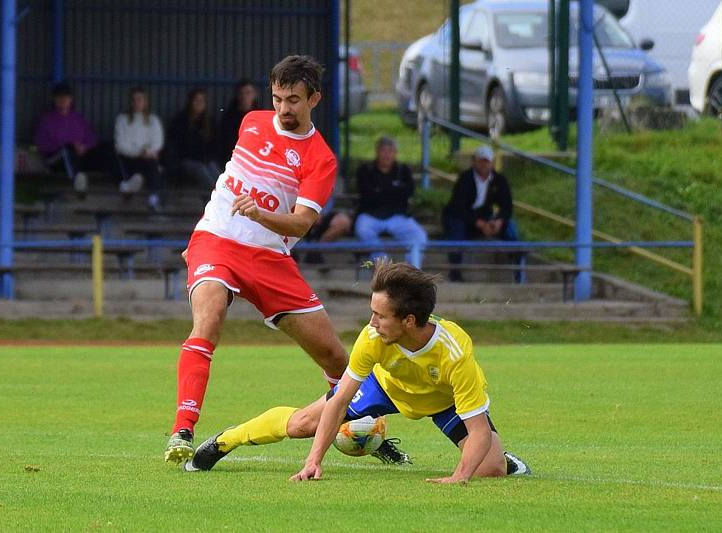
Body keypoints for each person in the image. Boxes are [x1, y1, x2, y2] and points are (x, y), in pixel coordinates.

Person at [164, 55, 410, 466]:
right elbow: (228, 182)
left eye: (294, 99)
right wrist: (200, 235)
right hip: (217, 241)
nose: (283, 108)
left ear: (315, 98)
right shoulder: (251, 122)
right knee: (207, 323)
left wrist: (260, 215)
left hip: (270, 259)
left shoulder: (320, 159)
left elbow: (301, 224)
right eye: (278, 98)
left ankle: (360, 426)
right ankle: (182, 430)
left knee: (336, 358)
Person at [184, 260, 531, 483]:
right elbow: (338, 401)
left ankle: (504, 459)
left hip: (443, 402)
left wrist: (459, 477)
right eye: (372, 311)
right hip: (385, 387)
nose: (371, 322)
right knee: (304, 423)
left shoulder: (455, 352)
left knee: (491, 469)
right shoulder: (372, 337)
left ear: (409, 321)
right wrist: (313, 462)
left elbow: (478, 429)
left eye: (380, 315)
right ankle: (225, 441)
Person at [442, 146, 520, 282]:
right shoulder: (465, 179)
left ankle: (518, 271)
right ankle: (455, 272)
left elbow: (507, 206)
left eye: (487, 161)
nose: (484, 164)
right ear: (474, 161)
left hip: (484, 215)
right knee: (457, 232)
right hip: (460, 216)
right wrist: (479, 223)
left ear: (492, 162)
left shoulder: (499, 180)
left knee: (511, 231)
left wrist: (499, 221)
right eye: (481, 161)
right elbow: (459, 207)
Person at [354, 136, 427, 269]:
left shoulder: (403, 170)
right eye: (383, 151)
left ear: (395, 154)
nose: (387, 155)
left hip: (397, 216)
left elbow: (409, 192)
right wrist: (393, 190)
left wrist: (381, 191)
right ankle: (385, 268)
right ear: (377, 152)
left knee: (419, 236)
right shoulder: (366, 170)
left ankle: (412, 272)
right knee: (362, 229)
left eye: (390, 151)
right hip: (371, 215)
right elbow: (367, 194)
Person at [33, 82, 99, 192]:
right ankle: (76, 178)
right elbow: (42, 146)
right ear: (54, 99)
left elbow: (92, 138)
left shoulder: (77, 118)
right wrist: (69, 145)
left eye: (66, 97)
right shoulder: (46, 120)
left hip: (78, 156)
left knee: (104, 149)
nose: (63, 100)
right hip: (56, 160)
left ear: (71, 99)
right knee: (67, 151)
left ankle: (123, 183)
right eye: (59, 97)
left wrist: (84, 147)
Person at [114, 86, 166, 210]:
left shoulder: (153, 120)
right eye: (134, 100)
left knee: (153, 164)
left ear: (145, 102)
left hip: (148, 157)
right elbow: (120, 144)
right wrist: (138, 152)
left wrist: (147, 152)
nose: (137, 103)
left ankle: (152, 197)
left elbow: (158, 142)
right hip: (128, 158)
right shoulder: (122, 119)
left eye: (140, 99)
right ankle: (132, 185)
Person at [162, 87, 220, 192]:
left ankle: (224, 196)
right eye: (196, 100)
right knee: (202, 172)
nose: (199, 104)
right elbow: (178, 146)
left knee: (217, 173)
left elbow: (214, 145)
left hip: (206, 160)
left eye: (202, 101)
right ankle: (215, 197)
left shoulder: (209, 122)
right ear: (190, 102)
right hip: (187, 160)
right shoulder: (180, 120)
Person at [215, 78, 260, 168]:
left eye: (248, 93)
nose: (244, 97)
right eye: (241, 93)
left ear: (254, 95)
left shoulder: (260, 116)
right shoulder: (228, 117)